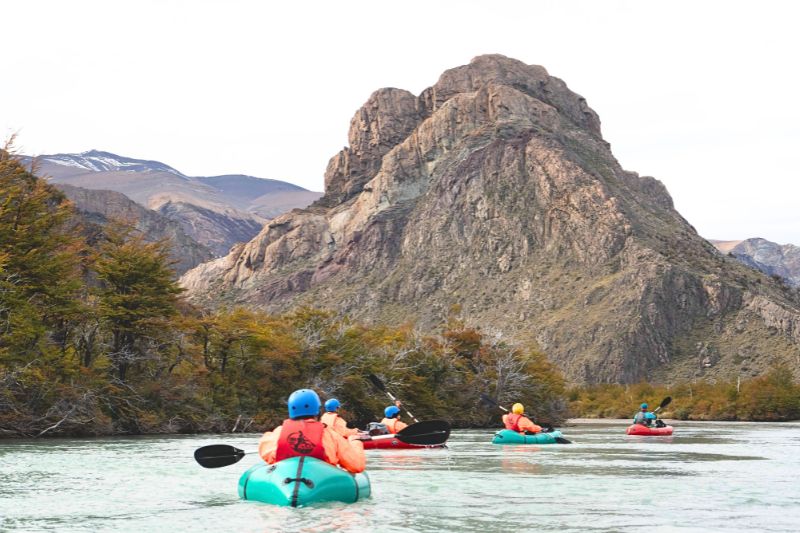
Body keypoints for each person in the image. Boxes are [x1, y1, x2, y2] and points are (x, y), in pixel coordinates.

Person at [258, 389, 365, 474]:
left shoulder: (278, 432)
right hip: (322, 478)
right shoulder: (329, 433)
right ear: (316, 410)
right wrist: (355, 442)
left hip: (286, 475)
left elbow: (265, 451)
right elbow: (357, 466)